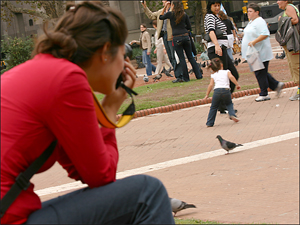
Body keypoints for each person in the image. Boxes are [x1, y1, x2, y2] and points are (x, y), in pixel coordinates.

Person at [0, 2, 175, 224]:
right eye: (122, 53)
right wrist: (110, 108)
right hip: (9, 217)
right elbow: (101, 175)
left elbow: (82, 170)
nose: (125, 63)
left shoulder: (44, 72)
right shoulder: (67, 79)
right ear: (105, 52)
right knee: (148, 193)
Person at [241, 2, 284, 102]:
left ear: (257, 12)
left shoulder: (259, 21)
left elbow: (265, 34)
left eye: (251, 11)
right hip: (253, 52)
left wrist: (253, 42)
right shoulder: (252, 22)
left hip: (260, 52)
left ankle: (264, 93)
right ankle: (276, 85)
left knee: (260, 72)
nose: (248, 13)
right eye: (248, 11)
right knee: (261, 72)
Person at [204, 0, 240, 113]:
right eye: (214, 5)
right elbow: (211, 31)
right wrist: (216, 45)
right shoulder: (210, 16)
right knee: (223, 78)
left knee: (233, 74)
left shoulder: (216, 16)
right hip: (217, 50)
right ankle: (222, 104)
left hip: (222, 49)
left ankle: (223, 103)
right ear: (210, 6)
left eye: (218, 5)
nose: (217, 7)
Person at [159, 0, 203, 83]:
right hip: (186, 37)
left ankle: (186, 78)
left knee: (182, 58)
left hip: (176, 38)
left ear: (172, 5)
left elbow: (160, 17)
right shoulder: (184, 14)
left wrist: (165, 7)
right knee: (190, 57)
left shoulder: (170, 14)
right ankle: (199, 75)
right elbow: (189, 27)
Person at [204, 58, 240, 127]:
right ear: (221, 65)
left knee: (213, 107)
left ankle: (209, 122)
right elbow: (231, 77)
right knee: (229, 103)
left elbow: (211, 85)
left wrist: (207, 95)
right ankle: (232, 114)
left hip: (217, 91)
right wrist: (237, 84)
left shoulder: (213, 75)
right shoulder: (227, 71)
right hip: (226, 90)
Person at [142, 0, 176, 73]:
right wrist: (145, 6)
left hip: (171, 35)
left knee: (173, 55)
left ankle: (179, 72)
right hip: (164, 35)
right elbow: (151, 15)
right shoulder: (161, 11)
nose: (162, 1)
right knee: (170, 56)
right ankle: (177, 74)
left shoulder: (173, 10)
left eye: (164, 0)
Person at [277, 0, 299, 101]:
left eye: (279, 0)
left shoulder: (289, 7)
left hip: (294, 43)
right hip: (292, 43)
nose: (277, 2)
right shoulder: (288, 8)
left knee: (296, 67)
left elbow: (295, 20)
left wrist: (282, 19)